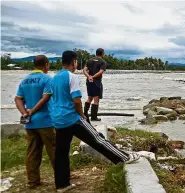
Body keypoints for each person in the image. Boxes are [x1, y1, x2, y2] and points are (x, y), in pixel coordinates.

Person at [51, 50, 139, 192]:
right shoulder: (71, 77)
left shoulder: (54, 78)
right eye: (76, 61)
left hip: (58, 120)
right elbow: (76, 100)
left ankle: (62, 185)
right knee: (98, 139)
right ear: (74, 62)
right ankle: (124, 158)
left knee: (61, 152)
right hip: (72, 118)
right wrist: (82, 115)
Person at [14, 55, 55, 189]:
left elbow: (18, 99)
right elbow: (46, 97)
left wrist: (25, 113)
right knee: (54, 150)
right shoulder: (47, 79)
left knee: (32, 152)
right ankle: (61, 176)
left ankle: (33, 181)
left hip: (30, 123)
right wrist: (33, 111)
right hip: (45, 121)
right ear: (46, 65)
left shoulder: (25, 81)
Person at [83, 48, 106, 122]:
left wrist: (88, 76)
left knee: (89, 98)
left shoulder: (89, 60)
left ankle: (84, 114)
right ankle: (94, 117)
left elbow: (84, 70)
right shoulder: (102, 62)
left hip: (89, 81)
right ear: (102, 54)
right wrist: (93, 77)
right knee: (96, 99)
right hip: (97, 82)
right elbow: (101, 71)